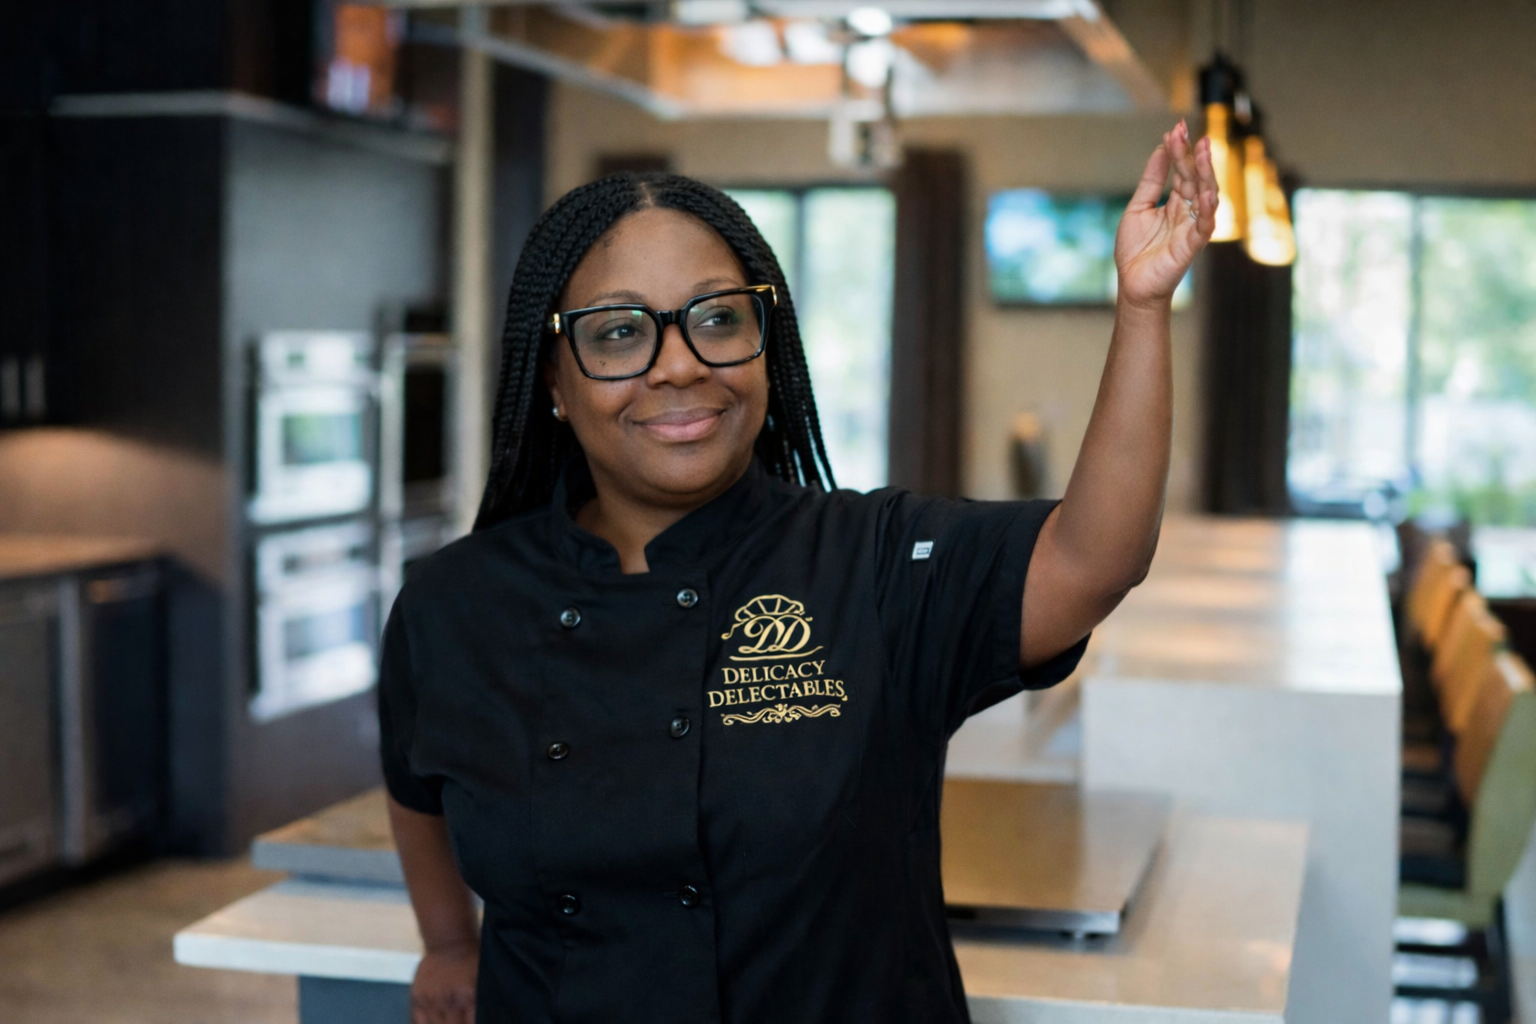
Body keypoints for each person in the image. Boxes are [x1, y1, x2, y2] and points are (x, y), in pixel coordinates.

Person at [380, 120, 1217, 1024]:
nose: (678, 366)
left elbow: (1096, 559)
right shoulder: (453, 603)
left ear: (764, 347)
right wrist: (447, 941)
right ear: (555, 377)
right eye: (620, 334)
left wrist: (1140, 308)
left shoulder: (877, 560)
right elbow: (415, 786)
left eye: (717, 319)